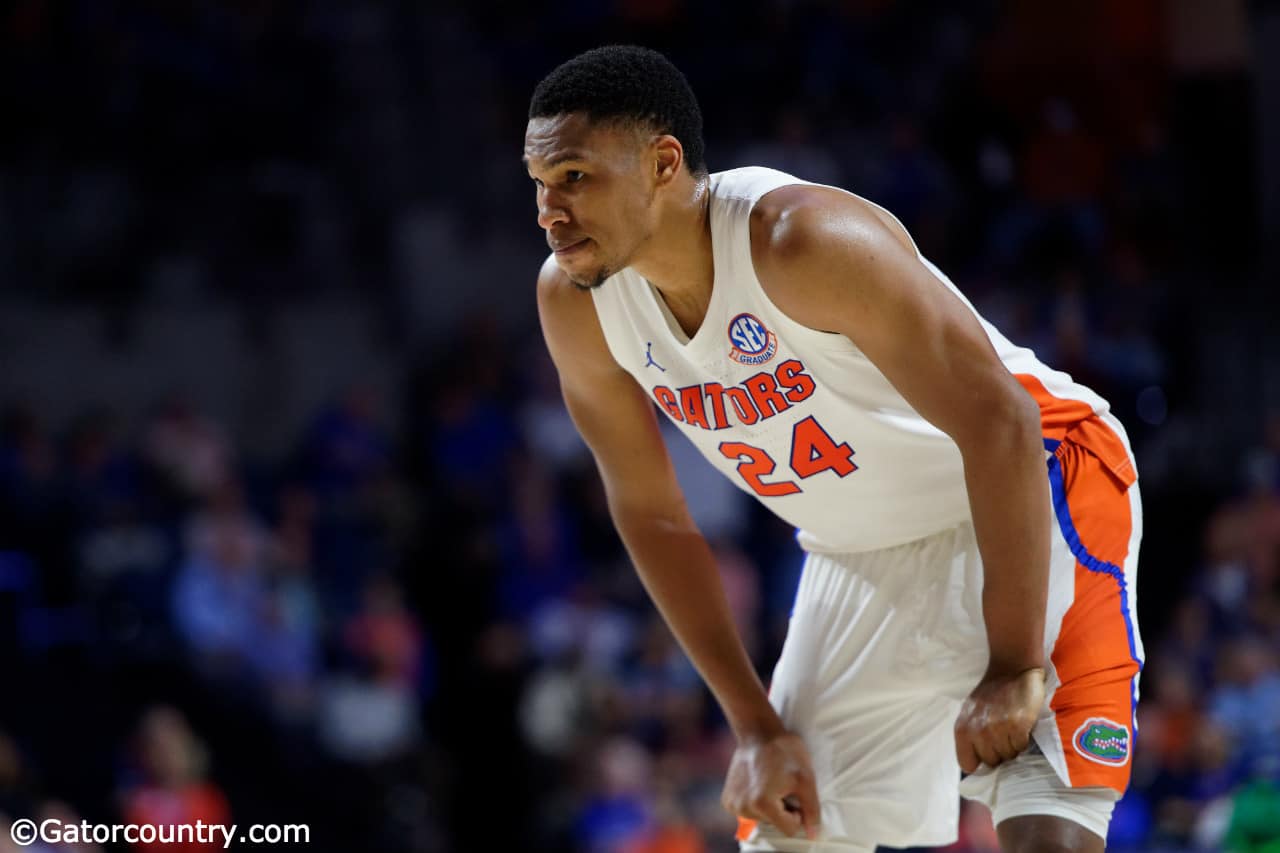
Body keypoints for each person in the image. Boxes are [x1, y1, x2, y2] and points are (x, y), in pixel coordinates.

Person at [525, 45, 1143, 853]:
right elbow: (651, 513)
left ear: (662, 163)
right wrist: (753, 724)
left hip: (1033, 483)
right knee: (789, 827)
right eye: (539, 185)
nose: (548, 210)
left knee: (1046, 835)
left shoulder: (801, 241)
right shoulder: (574, 305)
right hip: (858, 551)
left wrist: (1013, 661)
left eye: (574, 176)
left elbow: (1002, 425)